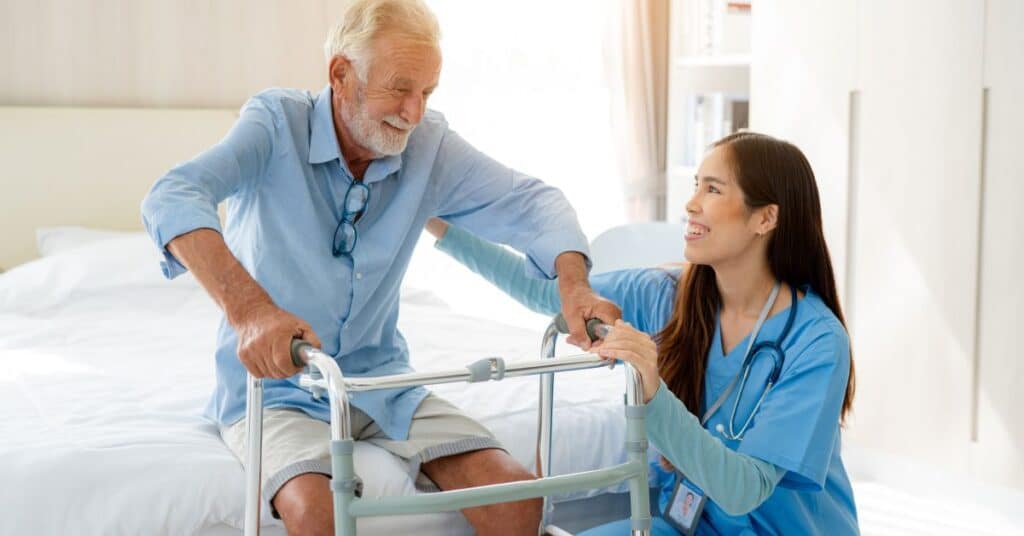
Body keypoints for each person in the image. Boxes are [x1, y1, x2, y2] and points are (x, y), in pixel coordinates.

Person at [140, 1, 620, 534]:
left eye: (427, 93)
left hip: (383, 383)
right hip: (278, 392)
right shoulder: (275, 124)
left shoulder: (429, 146)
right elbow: (173, 194)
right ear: (341, 74)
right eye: (399, 89)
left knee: (517, 502)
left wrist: (573, 286)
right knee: (319, 513)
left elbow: (535, 204)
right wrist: (252, 313)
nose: (414, 112)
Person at [425, 131, 859, 534]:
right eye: (695, 185)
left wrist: (651, 389)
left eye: (712, 189)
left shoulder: (815, 341)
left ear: (765, 219)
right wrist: (428, 214)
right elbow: (542, 292)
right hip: (693, 524)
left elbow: (743, 490)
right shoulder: (667, 295)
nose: (691, 204)